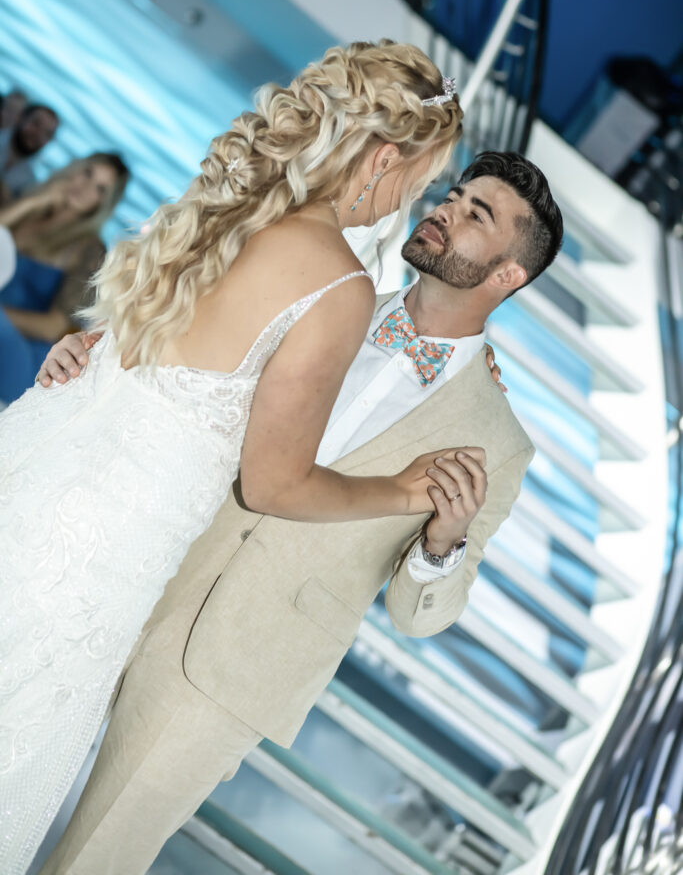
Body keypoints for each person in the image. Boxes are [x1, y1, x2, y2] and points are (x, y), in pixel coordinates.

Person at [0, 40, 466, 875]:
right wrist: (397, 491)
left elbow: (133, 349)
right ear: (383, 160)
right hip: (101, 553)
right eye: (422, 179)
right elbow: (274, 480)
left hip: (31, 471)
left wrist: (87, 351)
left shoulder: (224, 212)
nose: (415, 198)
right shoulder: (337, 286)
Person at [34, 151, 563, 874]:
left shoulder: (497, 442)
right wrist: (90, 362)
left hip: (242, 666)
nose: (445, 208)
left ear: (507, 276)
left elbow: (423, 616)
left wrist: (442, 540)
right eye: (455, 194)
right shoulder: (318, 297)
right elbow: (186, 371)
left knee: (96, 859)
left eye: (477, 215)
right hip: (136, 566)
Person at [0, 153, 129, 405]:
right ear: (75, 168)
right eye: (88, 173)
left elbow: (56, 326)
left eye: (100, 189)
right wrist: (32, 203)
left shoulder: (90, 251)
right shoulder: (28, 208)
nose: (85, 187)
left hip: (21, 348)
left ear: (103, 202)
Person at [0, 102, 60, 203]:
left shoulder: (29, 183)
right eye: (36, 124)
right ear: (20, 118)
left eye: (47, 134)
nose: (38, 134)